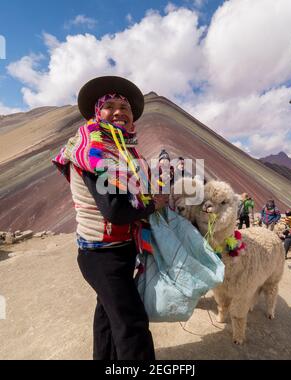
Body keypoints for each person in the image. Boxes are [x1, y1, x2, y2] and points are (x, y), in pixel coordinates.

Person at [53, 76, 169, 360]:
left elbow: (133, 198)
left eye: (124, 107)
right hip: (103, 256)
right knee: (132, 324)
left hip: (119, 252)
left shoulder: (125, 153)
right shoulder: (94, 150)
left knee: (107, 313)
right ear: (97, 112)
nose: (119, 111)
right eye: (110, 106)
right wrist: (154, 205)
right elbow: (116, 212)